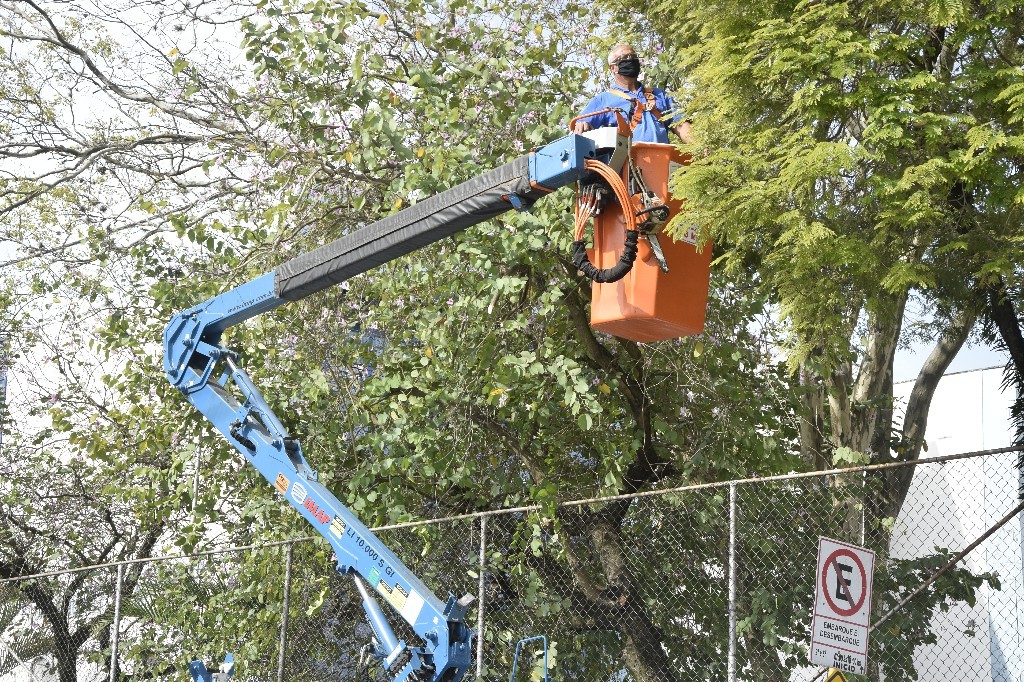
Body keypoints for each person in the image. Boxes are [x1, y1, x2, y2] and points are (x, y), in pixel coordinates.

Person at [573, 44, 693, 144]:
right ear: (613, 68)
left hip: (661, 164)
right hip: (626, 167)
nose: (630, 59)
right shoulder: (603, 100)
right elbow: (580, 126)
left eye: (633, 56)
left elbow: (681, 126)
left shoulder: (660, 95)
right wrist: (582, 125)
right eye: (624, 57)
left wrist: (700, 146)